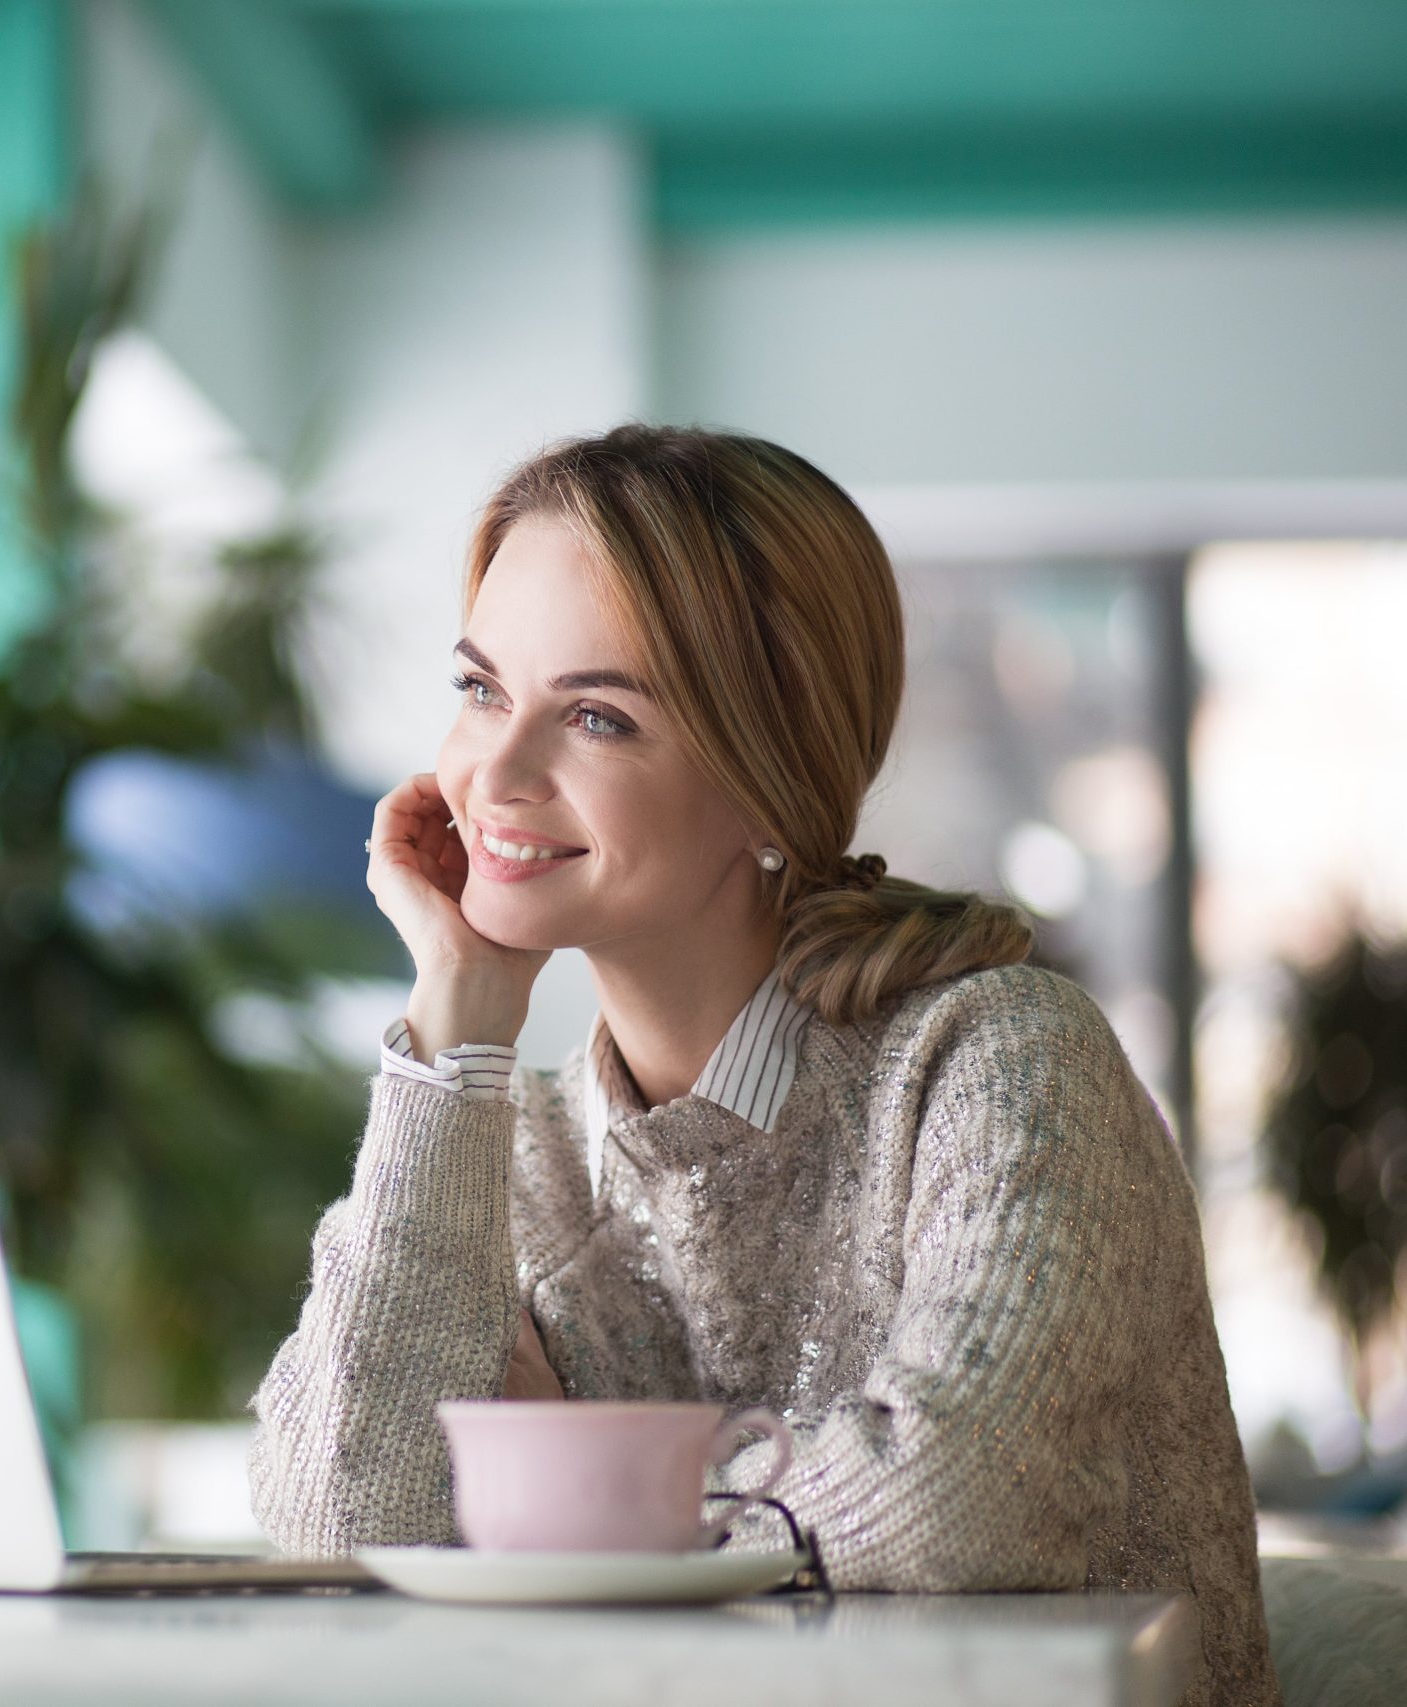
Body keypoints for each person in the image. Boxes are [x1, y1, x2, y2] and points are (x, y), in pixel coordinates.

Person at [247, 424, 1275, 1705]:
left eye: (595, 717)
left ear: (769, 784)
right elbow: (347, 1515)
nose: (495, 774)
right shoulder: (518, 1150)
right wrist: (458, 1021)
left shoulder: (999, 1064)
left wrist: (578, 1507)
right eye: (478, 691)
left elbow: (954, 1501)